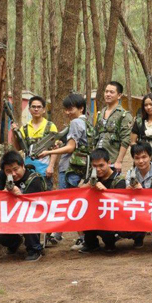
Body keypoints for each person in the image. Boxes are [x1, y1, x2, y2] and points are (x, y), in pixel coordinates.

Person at [38, 93, 90, 247]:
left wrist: (49, 152)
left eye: (71, 109)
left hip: (69, 168)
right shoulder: (87, 122)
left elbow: (71, 148)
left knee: (69, 202)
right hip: (80, 167)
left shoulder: (75, 123)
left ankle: (83, 238)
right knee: (72, 201)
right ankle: (58, 234)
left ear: (81, 108)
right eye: (66, 109)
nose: (68, 112)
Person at [0, 151, 48, 262]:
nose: (13, 174)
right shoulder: (2, 175)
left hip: (31, 215)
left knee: (27, 216)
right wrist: (4, 194)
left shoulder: (34, 179)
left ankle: (34, 249)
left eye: (16, 169)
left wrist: (20, 195)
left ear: (22, 165)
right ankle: (14, 242)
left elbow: (33, 207)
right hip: (9, 213)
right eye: (8, 171)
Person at [79, 149, 127, 253]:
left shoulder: (119, 179)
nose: (98, 169)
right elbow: (78, 193)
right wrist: (89, 185)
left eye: (101, 165)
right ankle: (91, 244)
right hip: (95, 215)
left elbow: (119, 203)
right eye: (94, 166)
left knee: (106, 226)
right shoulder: (93, 176)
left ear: (109, 163)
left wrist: (104, 191)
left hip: (112, 216)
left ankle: (111, 242)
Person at [124, 142, 152, 252]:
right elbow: (127, 195)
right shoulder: (130, 173)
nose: (141, 161)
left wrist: (142, 191)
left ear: (150, 157)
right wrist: (129, 189)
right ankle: (138, 236)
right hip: (137, 206)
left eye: (144, 157)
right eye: (137, 158)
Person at [11, 95, 58, 184]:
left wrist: (51, 166)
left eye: (39, 107)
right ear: (29, 109)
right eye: (33, 107)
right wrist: (14, 133)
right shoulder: (24, 128)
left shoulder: (50, 126)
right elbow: (18, 148)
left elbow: (55, 149)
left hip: (44, 171)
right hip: (28, 171)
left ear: (44, 110)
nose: (36, 109)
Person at [95, 81, 133, 173]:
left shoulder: (124, 115)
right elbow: (95, 135)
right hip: (97, 161)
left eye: (111, 92)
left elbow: (126, 139)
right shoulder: (101, 113)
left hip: (112, 161)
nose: (108, 94)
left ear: (119, 95)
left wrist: (119, 161)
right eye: (106, 91)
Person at [131, 94, 152, 168]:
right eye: (146, 105)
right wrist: (139, 152)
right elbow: (132, 142)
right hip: (143, 160)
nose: (148, 107)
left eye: (151, 104)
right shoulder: (139, 122)